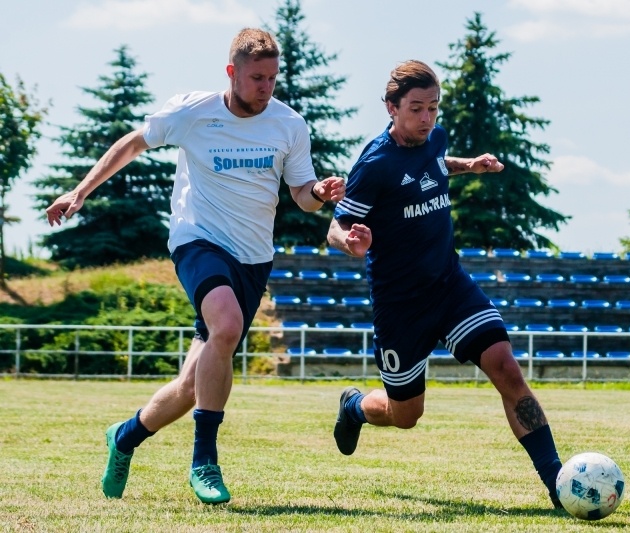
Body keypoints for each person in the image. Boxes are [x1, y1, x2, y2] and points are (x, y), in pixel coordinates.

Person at [45, 28, 345, 505]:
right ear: (232, 73)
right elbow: (133, 143)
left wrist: (320, 195)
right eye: (255, 78)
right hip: (197, 241)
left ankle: (124, 437)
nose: (265, 87)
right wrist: (80, 192)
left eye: (272, 78)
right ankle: (205, 459)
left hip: (253, 257)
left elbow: (301, 196)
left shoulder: (289, 124)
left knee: (191, 384)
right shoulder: (192, 111)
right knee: (224, 326)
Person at [326, 60, 563, 508]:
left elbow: (433, 162)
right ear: (391, 107)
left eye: (434, 107)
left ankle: (557, 484)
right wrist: (350, 243)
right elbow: (336, 226)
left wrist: (468, 165)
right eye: (416, 108)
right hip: (400, 306)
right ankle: (355, 406)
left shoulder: (435, 137)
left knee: (507, 370)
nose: (427, 118)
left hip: (450, 286)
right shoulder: (374, 164)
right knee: (405, 415)